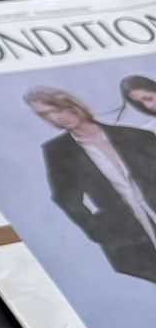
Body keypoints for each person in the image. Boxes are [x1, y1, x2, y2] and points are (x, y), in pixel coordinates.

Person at [26, 86, 156, 284]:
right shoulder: (58, 151)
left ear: (74, 105)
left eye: (58, 109)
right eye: (45, 114)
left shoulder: (136, 136)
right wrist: (96, 229)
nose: (56, 117)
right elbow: (65, 197)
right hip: (127, 234)